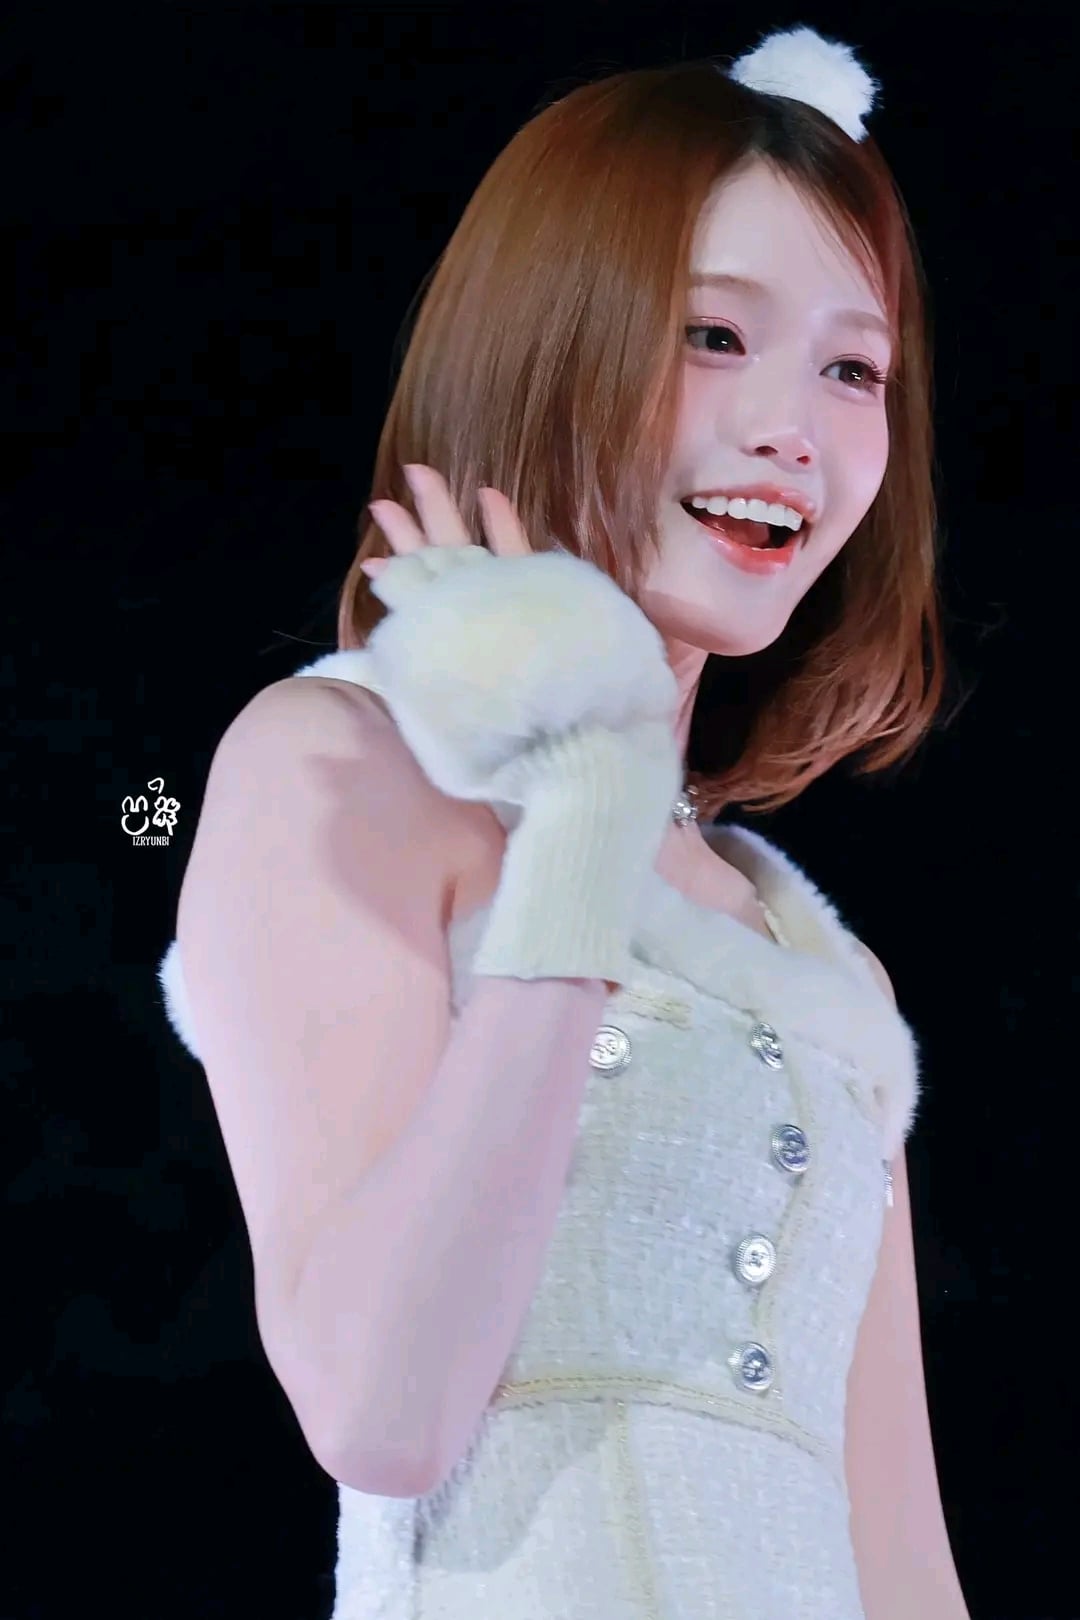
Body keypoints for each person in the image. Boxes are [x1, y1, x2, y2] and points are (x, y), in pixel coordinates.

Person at [157, 24, 972, 1619]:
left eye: (853, 368)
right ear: (549, 337)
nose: (795, 428)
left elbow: (902, 1551)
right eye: (715, 336)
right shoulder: (334, 767)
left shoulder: (821, 967)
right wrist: (585, 818)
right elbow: (381, 1411)